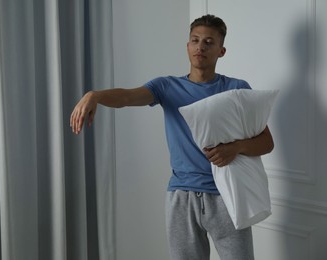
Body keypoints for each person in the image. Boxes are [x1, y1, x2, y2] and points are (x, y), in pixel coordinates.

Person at [70, 14, 274, 260]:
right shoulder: (166, 87)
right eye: (195, 40)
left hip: (227, 196)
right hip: (181, 197)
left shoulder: (237, 88)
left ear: (221, 51)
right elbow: (126, 97)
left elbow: (266, 141)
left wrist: (237, 147)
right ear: (187, 46)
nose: (200, 47)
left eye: (209, 42)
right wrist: (95, 95)